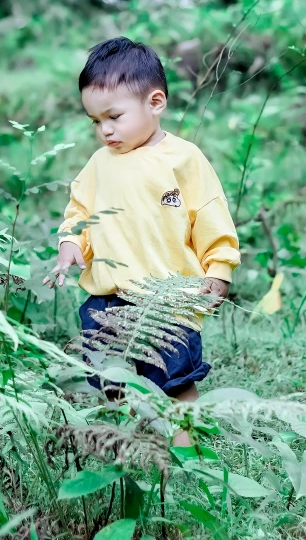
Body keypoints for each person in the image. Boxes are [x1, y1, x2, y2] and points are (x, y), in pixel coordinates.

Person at [43, 37, 240, 446]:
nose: (105, 130)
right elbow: (79, 213)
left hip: (170, 299)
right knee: (108, 379)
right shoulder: (99, 164)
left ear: (155, 102)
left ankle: (186, 455)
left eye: (114, 116)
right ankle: (125, 446)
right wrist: (71, 243)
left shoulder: (184, 159)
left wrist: (218, 271)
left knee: (174, 380)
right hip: (107, 300)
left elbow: (210, 219)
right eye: (95, 121)